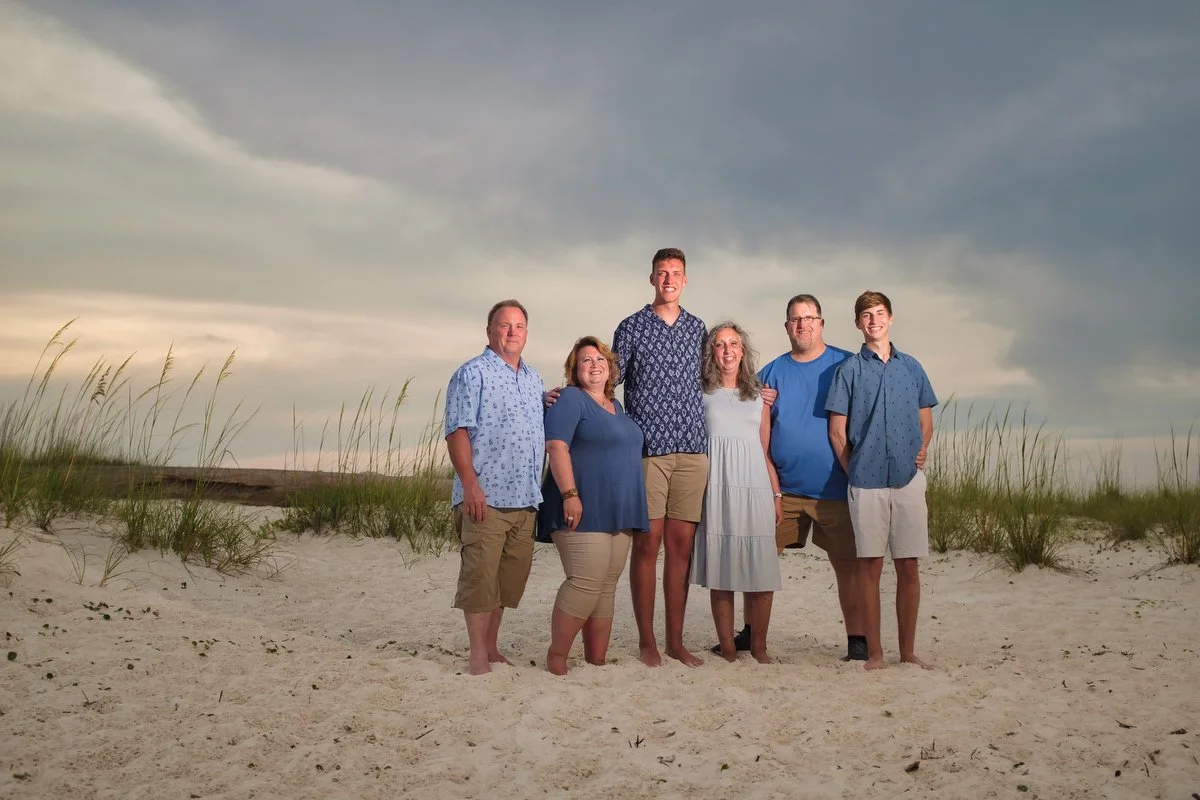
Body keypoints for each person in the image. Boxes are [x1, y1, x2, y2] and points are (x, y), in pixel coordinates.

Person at [729, 294, 867, 662]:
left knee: (848, 568)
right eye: (795, 319)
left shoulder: (846, 365)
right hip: (781, 491)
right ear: (786, 326)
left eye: (809, 318)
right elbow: (739, 414)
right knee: (759, 562)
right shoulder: (772, 373)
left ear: (821, 323)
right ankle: (751, 633)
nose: (802, 324)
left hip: (835, 489)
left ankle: (858, 641)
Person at [826, 291, 937, 671]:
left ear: (890, 319)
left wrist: (922, 448)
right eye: (866, 315)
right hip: (866, 482)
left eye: (879, 314)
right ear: (858, 323)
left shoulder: (912, 368)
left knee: (908, 567)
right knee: (869, 567)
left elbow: (926, 419)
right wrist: (852, 469)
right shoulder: (849, 371)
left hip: (908, 480)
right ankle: (874, 653)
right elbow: (837, 432)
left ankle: (907, 653)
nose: (873, 320)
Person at [612, 247, 709, 667]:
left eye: (676, 273)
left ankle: (675, 640)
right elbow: (609, 382)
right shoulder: (631, 327)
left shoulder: (697, 328)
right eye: (662, 273)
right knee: (648, 544)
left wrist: (757, 393)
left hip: (692, 447)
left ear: (685, 280)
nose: (669, 279)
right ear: (651, 278)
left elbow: (715, 380)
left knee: (681, 546)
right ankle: (647, 641)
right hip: (649, 449)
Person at [444, 299, 545, 676]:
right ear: (489, 331)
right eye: (504, 325)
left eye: (518, 326)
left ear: (526, 333)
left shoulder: (534, 379)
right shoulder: (472, 374)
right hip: (485, 497)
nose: (512, 331)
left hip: (525, 498)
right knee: (479, 579)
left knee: (506, 581)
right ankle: (476, 654)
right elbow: (457, 432)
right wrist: (470, 485)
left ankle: (492, 646)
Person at [538, 336, 650, 675]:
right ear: (575, 369)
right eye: (586, 360)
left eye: (600, 359)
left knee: (606, 585)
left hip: (620, 511)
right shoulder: (571, 399)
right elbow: (556, 447)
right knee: (585, 582)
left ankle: (596, 659)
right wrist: (571, 495)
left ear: (611, 368)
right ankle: (557, 657)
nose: (594, 364)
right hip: (582, 506)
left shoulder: (618, 409)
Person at [691, 322, 782, 663]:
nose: (727, 350)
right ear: (712, 352)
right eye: (720, 344)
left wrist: (776, 495)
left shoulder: (760, 396)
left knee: (760, 573)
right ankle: (728, 649)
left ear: (743, 351)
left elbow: (765, 450)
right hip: (716, 487)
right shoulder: (701, 393)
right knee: (721, 569)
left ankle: (758, 648)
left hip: (755, 487)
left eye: (733, 344)